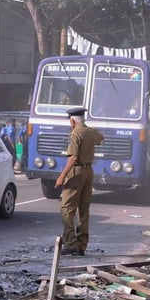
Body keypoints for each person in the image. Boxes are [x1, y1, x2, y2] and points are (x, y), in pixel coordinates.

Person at [55, 107, 103, 256]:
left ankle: (70, 243)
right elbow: (101, 138)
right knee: (83, 208)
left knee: (67, 208)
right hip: (89, 172)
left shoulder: (75, 133)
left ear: (72, 121)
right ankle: (82, 245)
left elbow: (73, 157)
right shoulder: (90, 132)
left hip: (77, 171)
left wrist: (62, 176)